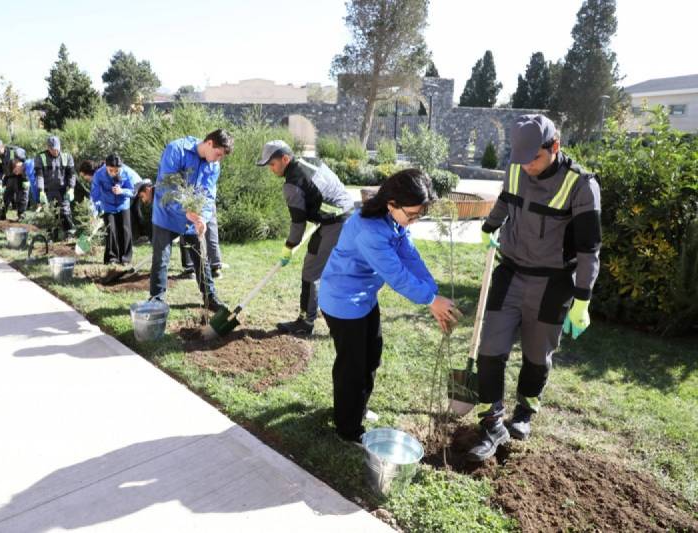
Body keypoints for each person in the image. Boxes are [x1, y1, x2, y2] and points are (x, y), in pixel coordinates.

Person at [468, 114, 602, 462]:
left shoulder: (581, 186)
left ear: (554, 147)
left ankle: (524, 412)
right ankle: (491, 422)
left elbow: (589, 250)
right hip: (510, 273)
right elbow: (505, 200)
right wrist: (489, 227)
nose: (526, 167)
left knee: (535, 355)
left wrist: (582, 300)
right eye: (521, 159)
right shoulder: (517, 168)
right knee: (490, 351)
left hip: (552, 283)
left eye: (534, 159)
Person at [319, 168, 461, 443]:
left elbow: (409, 256)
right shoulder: (368, 230)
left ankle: (354, 409)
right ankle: (347, 430)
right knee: (352, 367)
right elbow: (396, 275)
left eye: (419, 215)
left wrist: (433, 292)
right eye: (411, 215)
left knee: (372, 357)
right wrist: (431, 301)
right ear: (392, 203)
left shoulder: (392, 220)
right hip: (343, 302)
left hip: (364, 299)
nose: (414, 221)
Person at [256, 140, 354, 335]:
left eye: (272, 164)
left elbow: (298, 223)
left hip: (336, 223)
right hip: (345, 215)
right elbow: (328, 189)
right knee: (323, 269)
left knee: (312, 271)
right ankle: (324, 320)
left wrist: (289, 246)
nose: (271, 169)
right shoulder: (311, 161)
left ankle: (307, 322)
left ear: (285, 158)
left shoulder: (292, 184)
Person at [149, 129, 232, 310]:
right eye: (218, 154)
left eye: (221, 157)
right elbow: (166, 187)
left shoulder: (214, 166)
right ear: (209, 143)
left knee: (201, 257)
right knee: (161, 258)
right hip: (167, 214)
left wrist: (203, 218)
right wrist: (184, 210)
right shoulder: (176, 150)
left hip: (192, 218)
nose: (218, 160)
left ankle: (210, 298)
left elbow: (209, 196)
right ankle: (156, 301)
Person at [90, 153, 141, 265]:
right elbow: (94, 195)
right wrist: (94, 212)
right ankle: (112, 258)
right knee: (111, 231)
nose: (113, 173)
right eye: (110, 170)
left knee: (125, 230)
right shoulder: (99, 174)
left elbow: (133, 191)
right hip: (107, 205)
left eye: (116, 171)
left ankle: (126, 259)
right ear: (106, 166)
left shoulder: (127, 172)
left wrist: (122, 191)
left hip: (123, 205)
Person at [34, 136, 76, 237]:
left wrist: (71, 188)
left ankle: (69, 234)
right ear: (48, 148)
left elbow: (72, 174)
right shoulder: (40, 157)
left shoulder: (67, 157)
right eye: (53, 149)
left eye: (57, 149)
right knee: (50, 213)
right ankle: (52, 235)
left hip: (63, 190)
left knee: (65, 212)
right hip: (48, 190)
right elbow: (39, 176)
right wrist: (41, 191)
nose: (55, 151)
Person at [0, 147, 30, 220]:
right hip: (9, 178)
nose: (15, 161)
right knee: (5, 196)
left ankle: (21, 215)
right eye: (15, 160)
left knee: (22, 197)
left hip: (21, 179)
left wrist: (26, 179)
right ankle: (1, 214)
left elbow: (28, 172)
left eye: (17, 161)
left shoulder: (25, 163)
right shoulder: (1, 158)